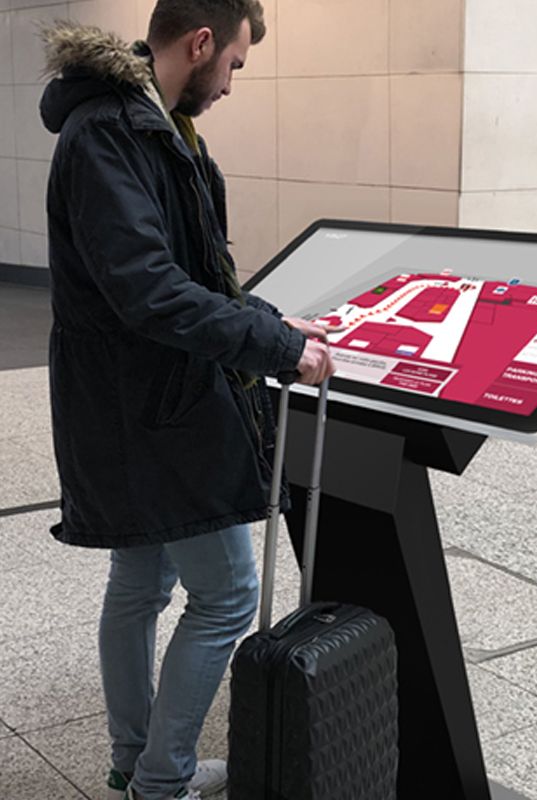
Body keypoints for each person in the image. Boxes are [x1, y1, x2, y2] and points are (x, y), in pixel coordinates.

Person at [39, 2, 337, 798]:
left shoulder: (152, 126)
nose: (232, 84)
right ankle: (161, 780)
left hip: (135, 399)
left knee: (140, 585)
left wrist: (272, 321)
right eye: (235, 64)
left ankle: (137, 759)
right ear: (201, 42)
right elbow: (149, 291)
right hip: (149, 405)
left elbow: (196, 273)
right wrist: (275, 349)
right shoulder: (112, 134)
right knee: (228, 594)